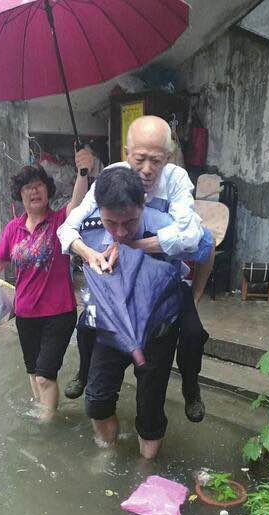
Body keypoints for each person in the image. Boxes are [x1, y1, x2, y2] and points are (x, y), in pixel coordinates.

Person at [57, 115, 214, 422]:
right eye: (140, 159)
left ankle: (191, 386)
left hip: (164, 277)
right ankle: (83, 372)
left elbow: (193, 237)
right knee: (87, 322)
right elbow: (68, 227)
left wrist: (132, 245)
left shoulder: (176, 180)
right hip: (120, 278)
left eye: (156, 160)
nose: (147, 169)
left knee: (193, 333)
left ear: (168, 156)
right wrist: (89, 253)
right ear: (127, 153)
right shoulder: (112, 177)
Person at [74, 167, 213, 459]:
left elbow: (206, 244)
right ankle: (108, 455)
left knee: (150, 413)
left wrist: (196, 293)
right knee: (97, 401)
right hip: (110, 328)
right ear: (99, 211)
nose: (120, 232)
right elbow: (65, 231)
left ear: (143, 205)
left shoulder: (168, 226)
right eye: (111, 223)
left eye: (130, 222)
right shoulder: (88, 227)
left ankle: (146, 470)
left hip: (156, 333)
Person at [0, 150, 93, 420]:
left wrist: (82, 173)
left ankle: (45, 426)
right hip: (25, 315)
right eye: (28, 187)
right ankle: (46, 411)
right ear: (21, 195)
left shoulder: (60, 221)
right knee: (33, 373)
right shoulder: (13, 229)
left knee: (44, 375)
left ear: (47, 190)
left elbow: (77, 203)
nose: (34, 191)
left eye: (39, 185)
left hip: (58, 313)